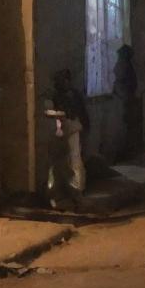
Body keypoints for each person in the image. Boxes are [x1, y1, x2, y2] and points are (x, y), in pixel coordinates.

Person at [45, 68, 90, 210]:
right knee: (60, 164)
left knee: (75, 160)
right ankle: (63, 192)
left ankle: (78, 191)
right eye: (59, 80)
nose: (62, 83)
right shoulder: (55, 95)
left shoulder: (73, 95)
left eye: (64, 80)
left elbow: (81, 113)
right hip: (60, 131)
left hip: (72, 129)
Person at [114, 44, 141, 156]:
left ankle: (129, 149)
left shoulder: (126, 67)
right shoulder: (127, 66)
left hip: (127, 99)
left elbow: (125, 83)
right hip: (127, 99)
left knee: (128, 125)